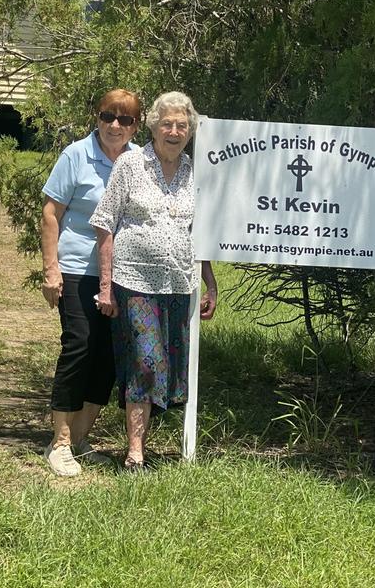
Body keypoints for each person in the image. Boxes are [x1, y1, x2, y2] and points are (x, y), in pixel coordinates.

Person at [90, 90, 218, 469]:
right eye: (167, 124)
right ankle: (134, 454)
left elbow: (203, 232)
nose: (174, 131)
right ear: (154, 127)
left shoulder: (196, 171)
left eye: (182, 125)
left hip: (179, 283)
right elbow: (105, 226)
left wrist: (210, 283)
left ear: (190, 131)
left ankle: (143, 442)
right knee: (145, 361)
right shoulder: (131, 164)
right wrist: (105, 286)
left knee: (169, 366)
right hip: (134, 282)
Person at [40, 89, 141, 477]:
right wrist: (51, 270)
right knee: (79, 346)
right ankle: (60, 443)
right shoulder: (76, 155)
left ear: (135, 125)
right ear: (97, 118)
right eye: (108, 117)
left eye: (126, 119)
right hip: (77, 269)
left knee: (107, 356)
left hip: (121, 274)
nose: (115, 125)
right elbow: (51, 213)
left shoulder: (138, 160)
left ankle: (80, 440)